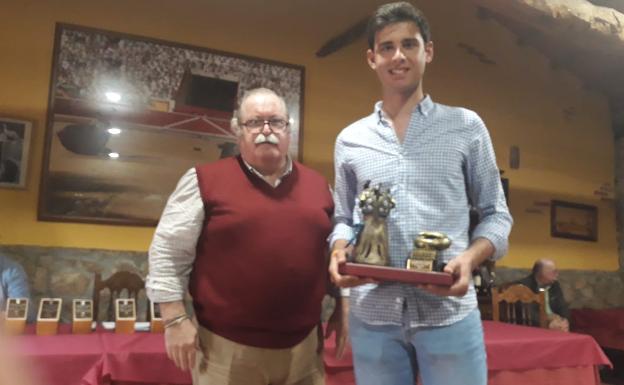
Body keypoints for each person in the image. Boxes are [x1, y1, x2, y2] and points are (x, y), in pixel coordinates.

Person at [328, 3, 513, 385]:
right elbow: (344, 219)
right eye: (387, 47)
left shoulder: (466, 126)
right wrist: (338, 252)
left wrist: (470, 258)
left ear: (428, 51)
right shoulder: (350, 140)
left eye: (409, 45)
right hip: (373, 315)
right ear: (371, 58)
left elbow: (497, 214)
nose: (398, 56)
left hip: (448, 313)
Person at [147, 87, 342, 385]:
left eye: (276, 121)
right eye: (254, 122)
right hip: (226, 352)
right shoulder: (203, 181)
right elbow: (167, 253)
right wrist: (174, 319)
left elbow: (334, 255)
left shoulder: (320, 187)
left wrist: (343, 304)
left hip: (304, 350)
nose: (266, 130)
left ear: (289, 129)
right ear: (238, 131)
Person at [517, 259, 570, 332]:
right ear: (540, 273)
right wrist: (548, 322)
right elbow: (528, 312)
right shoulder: (524, 286)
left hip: (555, 323)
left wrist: (564, 321)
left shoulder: (555, 285)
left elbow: (562, 306)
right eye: (553, 272)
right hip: (537, 324)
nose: (557, 274)